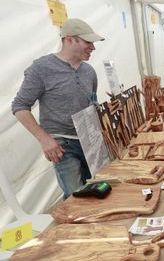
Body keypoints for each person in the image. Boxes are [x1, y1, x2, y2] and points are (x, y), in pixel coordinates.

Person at [11, 18, 105, 199]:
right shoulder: (41, 68)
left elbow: (91, 103)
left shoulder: (89, 72)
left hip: (89, 141)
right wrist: (44, 139)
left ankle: (92, 227)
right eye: (88, 42)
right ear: (69, 39)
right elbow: (20, 106)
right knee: (75, 196)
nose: (93, 47)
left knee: (96, 190)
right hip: (63, 145)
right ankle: (73, 226)